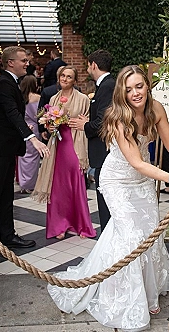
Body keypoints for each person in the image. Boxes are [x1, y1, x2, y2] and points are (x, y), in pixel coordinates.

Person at [48, 65, 169, 331]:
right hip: (118, 180)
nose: (135, 93)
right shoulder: (119, 119)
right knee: (130, 237)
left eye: (139, 86)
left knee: (149, 235)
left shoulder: (156, 110)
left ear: (147, 85)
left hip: (141, 182)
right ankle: (123, 295)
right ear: (122, 91)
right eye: (128, 88)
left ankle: (148, 291)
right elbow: (137, 163)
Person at [0, 46, 50, 265]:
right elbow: (13, 114)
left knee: (5, 195)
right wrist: (31, 138)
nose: (27, 63)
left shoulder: (10, 82)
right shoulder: (4, 83)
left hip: (4, 148)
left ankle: (8, 235)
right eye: (23, 60)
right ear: (10, 62)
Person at [32, 66, 96, 240]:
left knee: (75, 184)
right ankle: (59, 225)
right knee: (58, 187)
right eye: (62, 76)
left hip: (74, 144)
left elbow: (88, 121)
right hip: (57, 145)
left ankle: (81, 225)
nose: (65, 79)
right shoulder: (53, 98)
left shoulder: (83, 99)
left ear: (74, 81)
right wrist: (49, 125)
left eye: (69, 77)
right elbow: (48, 120)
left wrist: (75, 122)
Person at [68, 49, 114, 230]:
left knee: (105, 200)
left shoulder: (107, 86)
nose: (88, 69)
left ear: (93, 65)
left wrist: (85, 126)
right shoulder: (105, 85)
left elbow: (104, 121)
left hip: (104, 151)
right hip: (102, 151)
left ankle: (107, 238)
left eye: (88, 65)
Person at [17, 75, 41, 193]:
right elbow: (39, 115)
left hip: (22, 128)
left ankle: (23, 182)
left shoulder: (20, 98)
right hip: (34, 128)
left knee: (23, 156)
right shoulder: (37, 98)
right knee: (33, 157)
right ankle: (30, 183)